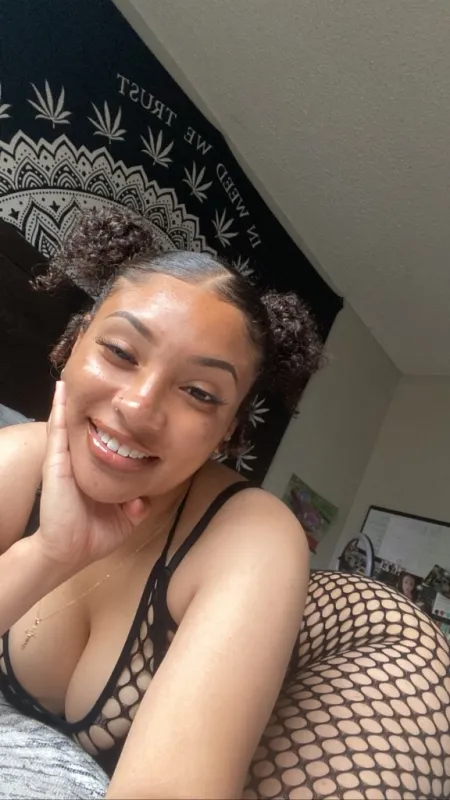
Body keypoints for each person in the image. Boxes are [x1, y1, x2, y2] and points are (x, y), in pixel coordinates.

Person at [0, 207, 322, 799]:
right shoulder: (18, 462)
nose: (139, 407)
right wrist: (46, 553)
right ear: (73, 344)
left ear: (227, 430)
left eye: (199, 392)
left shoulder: (252, 538)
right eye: (121, 353)